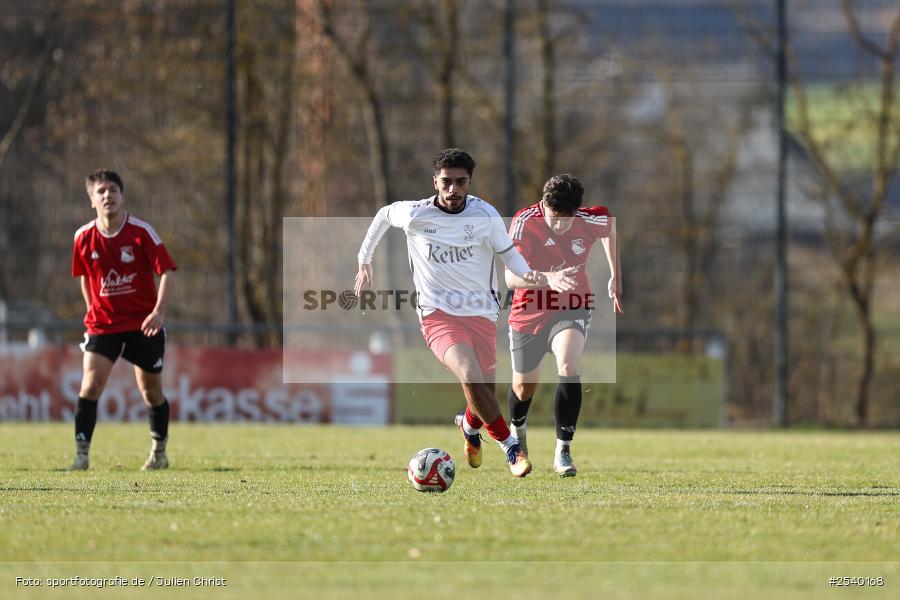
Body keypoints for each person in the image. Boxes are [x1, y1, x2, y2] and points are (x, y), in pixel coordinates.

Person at [355, 149, 573, 477]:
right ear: (435, 182)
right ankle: (511, 449)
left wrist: (542, 278)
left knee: (482, 390)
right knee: (470, 375)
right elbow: (385, 214)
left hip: (482, 316)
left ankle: (469, 427)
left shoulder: (485, 217)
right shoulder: (416, 214)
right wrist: (364, 259)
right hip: (437, 316)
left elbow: (512, 259)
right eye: (446, 182)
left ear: (470, 182)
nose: (453, 189)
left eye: (460, 182)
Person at [505, 174, 622, 477]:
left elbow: (611, 228)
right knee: (523, 386)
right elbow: (510, 277)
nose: (559, 226)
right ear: (543, 204)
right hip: (528, 310)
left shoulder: (587, 219)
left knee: (569, 366)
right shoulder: (524, 222)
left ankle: (563, 451)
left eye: (566, 220)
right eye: (554, 219)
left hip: (572, 305)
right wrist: (547, 278)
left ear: (576, 211)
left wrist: (615, 275)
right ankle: (517, 433)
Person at [68, 169, 177, 471]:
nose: (108, 196)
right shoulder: (83, 237)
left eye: (113, 189)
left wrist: (159, 311)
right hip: (103, 324)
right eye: (101, 191)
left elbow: (167, 271)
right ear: (92, 200)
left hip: (144, 324)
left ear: (122, 195)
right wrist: (93, 311)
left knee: (151, 392)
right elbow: (85, 279)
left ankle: (159, 452)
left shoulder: (141, 232)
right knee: (90, 384)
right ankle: (81, 457)